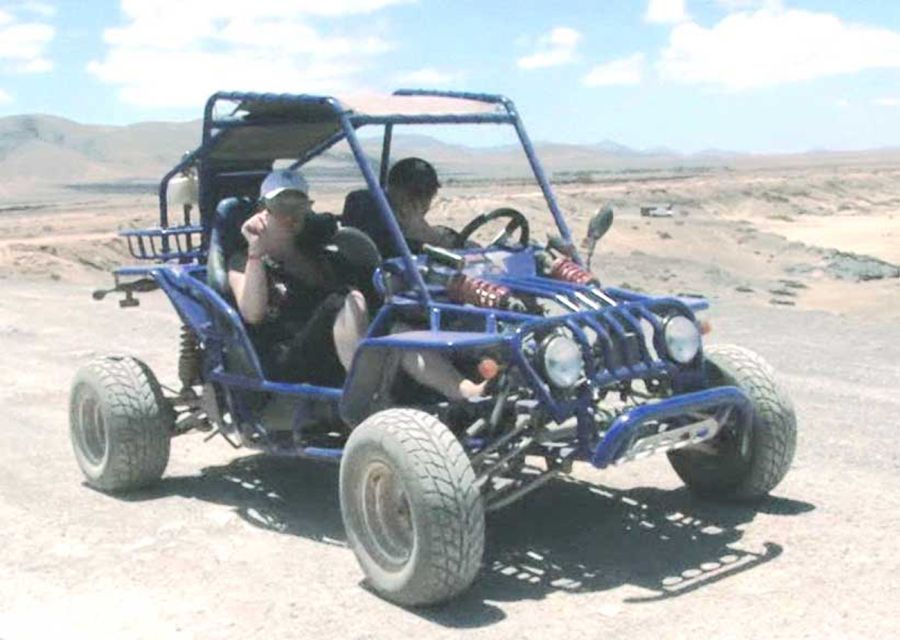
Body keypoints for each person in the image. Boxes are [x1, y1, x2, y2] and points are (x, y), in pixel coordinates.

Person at [229, 168, 484, 398]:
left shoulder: (312, 250)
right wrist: (256, 251)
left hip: (334, 347)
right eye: (281, 206)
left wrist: (288, 251)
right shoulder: (243, 259)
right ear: (263, 210)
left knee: (398, 331)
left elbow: (322, 280)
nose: (290, 216)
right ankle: (365, 394)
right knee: (345, 299)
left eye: (298, 206)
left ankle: (465, 391)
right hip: (287, 354)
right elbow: (253, 313)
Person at [342, 157, 461, 258]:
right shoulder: (392, 234)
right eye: (417, 193)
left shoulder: (378, 225)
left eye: (427, 193)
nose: (418, 202)